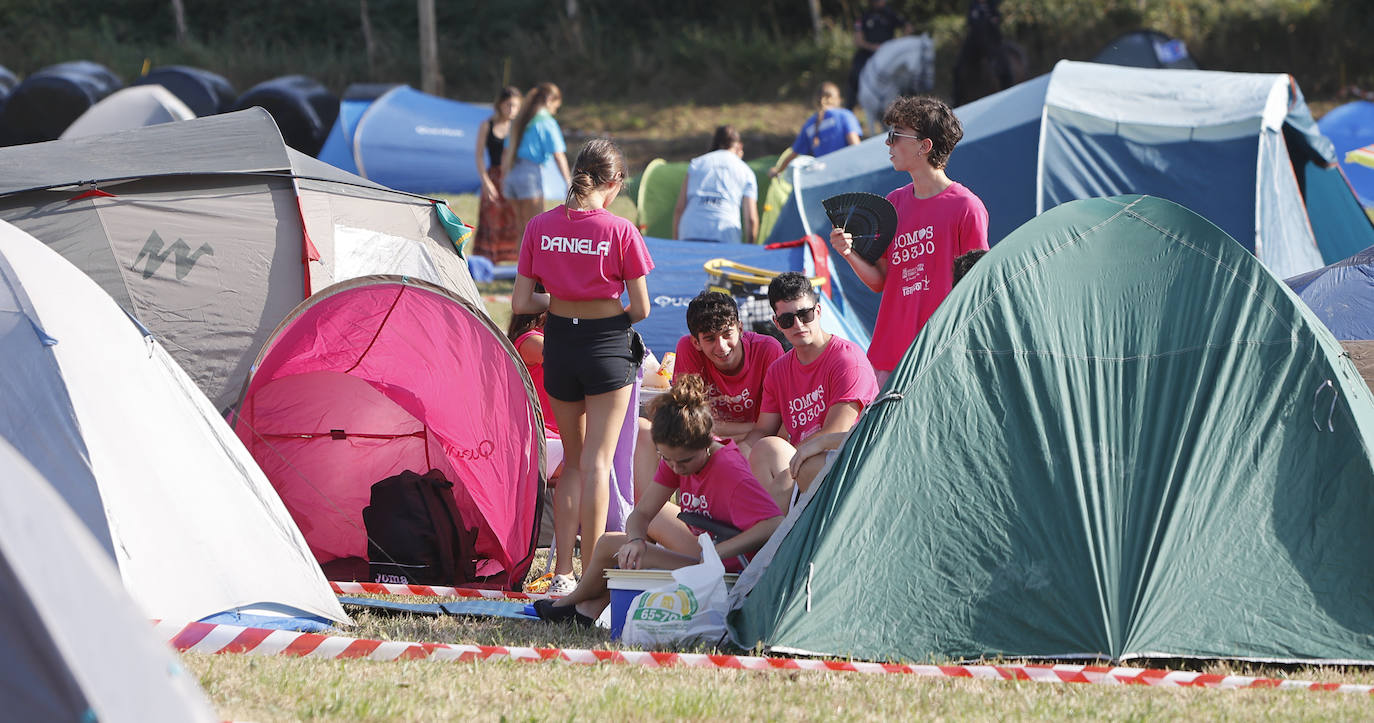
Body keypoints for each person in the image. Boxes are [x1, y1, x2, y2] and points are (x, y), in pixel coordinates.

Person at [512, 138, 653, 596]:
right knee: (598, 463)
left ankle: (562, 573)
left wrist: (565, 303)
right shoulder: (619, 230)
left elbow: (520, 301)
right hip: (606, 346)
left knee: (572, 463)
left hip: (561, 343)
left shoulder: (539, 225)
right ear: (613, 185)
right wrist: (603, 314)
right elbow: (642, 308)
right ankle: (592, 575)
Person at [533, 374, 783, 626]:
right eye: (667, 459)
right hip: (706, 548)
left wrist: (719, 552)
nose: (676, 467)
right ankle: (584, 609)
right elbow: (641, 515)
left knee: (623, 552)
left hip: (730, 569)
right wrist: (636, 540)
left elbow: (774, 524)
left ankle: (569, 606)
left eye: (684, 461)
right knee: (614, 543)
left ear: (707, 442)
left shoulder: (729, 472)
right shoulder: (677, 456)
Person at [830, 95, 988, 387]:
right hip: (889, 358)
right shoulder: (894, 203)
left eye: (895, 136)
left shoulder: (967, 207)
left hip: (939, 358)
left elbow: (976, 291)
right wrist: (849, 253)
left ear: (925, 146)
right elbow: (881, 280)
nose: (888, 144)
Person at [630, 291, 784, 511]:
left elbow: (774, 429)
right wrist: (752, 428)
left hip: (756, 448)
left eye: (726, 334)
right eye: (710, 338)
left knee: (755, 451)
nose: (721, 347)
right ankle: (655, 527)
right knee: (647, 432)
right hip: (708, 445)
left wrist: (745, 435)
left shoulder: (768, 349)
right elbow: (690, 424)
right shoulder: (687, 348)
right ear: (696, 342)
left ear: (740, 329)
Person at [743, 273, 879, 510]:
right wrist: (732, 457)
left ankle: (760, 531)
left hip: (847, 464)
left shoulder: (847, 359)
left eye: (804, 315)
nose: (798, 325)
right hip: (801, 463)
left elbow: (837, 432)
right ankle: (764, 532)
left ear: (818, 311)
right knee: (763, 450)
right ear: (776, 323)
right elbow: (762, 431)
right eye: (787, 320)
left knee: (773, 455)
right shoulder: (778, 371)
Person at [502, 82, 572, 250]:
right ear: (550, 100)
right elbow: (558, 155)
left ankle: (521, 271)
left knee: (522, 229)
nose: (555, 110)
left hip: (511, 176)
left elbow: (506, 152)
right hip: (530, 177)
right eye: (556, 106)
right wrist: (568, 182)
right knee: (537, 230)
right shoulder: (546, 122)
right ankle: (533, 273)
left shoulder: (521, 120)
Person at [673, 125, 759, 244]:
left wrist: (676, 243)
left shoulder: (696, 163)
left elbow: (679, 208)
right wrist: (750, 246)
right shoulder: (746, 171)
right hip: (725, 233)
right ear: (739, 146)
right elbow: (751, 219)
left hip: (691, 230)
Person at [768, 82, 862, 180]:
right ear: (837, 99)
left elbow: (793, 154)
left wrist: (777, 170)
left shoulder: (809, 124)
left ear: (815, 100)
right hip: (846, 174)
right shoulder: (845, 115)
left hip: (822, 179)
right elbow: (855, 147)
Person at [473, 86, 522, 264]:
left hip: (513, 176)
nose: (512, 110)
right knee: (491, 217)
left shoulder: (517, 127)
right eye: (509, 105)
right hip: (493, 175)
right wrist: (486, 182)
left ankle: (514, 259)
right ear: (500, 104)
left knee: (514, 218)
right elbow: (478, 155)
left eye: (516, 106)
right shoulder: (487, 125)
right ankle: (488, 260)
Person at [846, 0, 912, 111]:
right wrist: (872, 47)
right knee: (855, 74)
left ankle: (910, 108)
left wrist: (897, 44)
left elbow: (908, 27)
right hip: (868, 55)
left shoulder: (891, 15)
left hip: (888, 57)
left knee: (907, 75)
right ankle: (849, 108)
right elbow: (858, 40)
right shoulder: (864, 16)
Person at [952, 0, 1011, 106]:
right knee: (958, 66)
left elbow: (997, 18)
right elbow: (970, 21)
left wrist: (993, 21)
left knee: (1004, 65)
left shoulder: (992, 4)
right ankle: (956, 99)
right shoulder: (973, 5)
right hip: (974, 40)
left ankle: (1008, 93)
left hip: (992, 38)